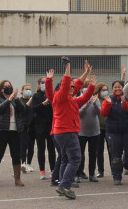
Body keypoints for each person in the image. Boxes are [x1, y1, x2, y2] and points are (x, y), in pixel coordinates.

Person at [47, 57, 94, 199]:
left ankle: (63, 183)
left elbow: (84, 95)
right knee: (75, 159)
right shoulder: (60, 97)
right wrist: (67, 67)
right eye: (70, 86)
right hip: (67, 132)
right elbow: (67, 83)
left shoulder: (72, 99)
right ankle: (65, 185)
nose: (73, 87)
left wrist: (88, 76)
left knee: (66, 159)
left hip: (62, 133)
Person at [0, 80, 27, 187]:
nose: (8, 88)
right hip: (1, 130)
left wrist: (15, 98)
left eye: (9, 86)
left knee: (16, 155)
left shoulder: (15, 100)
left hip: (15, 130)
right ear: (1, 89)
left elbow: (23, 110)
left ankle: (17, 179)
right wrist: (9, 99)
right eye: (5, 86)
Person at [101, 80, 128, 185]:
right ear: (113, 89)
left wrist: (124, 103)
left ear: (123, 88)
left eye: (119, 87)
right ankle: (117, 176)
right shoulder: (108, 99)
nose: (117, 89)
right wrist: (108, 104)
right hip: (113, 132)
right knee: (116, 155)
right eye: (115, 87)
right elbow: (103, 113)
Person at [75, 82, 101, 183]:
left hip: (94, 131)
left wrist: (94, 105)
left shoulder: (95, 98)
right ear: (81, 89)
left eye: (88, 88)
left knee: (93, 153)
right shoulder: (79, 99)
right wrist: (85, 105)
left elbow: (99, 113)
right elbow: (78, 114)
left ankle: (92, 174)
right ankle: (77, 173)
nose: (86, 89)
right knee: (79, 154)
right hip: (81, 132)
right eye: (84, 87)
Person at [32, 77, 55, 180]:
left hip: (50, 126)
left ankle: (53, 169)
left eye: (46, 83)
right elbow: (34, 109)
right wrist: (44, 102)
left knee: (51, 148)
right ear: (38, 84)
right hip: (39, 126)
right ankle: (42, 170)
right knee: (41, 148)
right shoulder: (36, 96)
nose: (44, 84)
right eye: (42, 83)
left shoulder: (52, 95)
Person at [95, 82, 110, 178]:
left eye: (106, 90)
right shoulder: (96, 100)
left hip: (109, 128)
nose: (105, 92)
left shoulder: (109, 99)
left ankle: (114, 169)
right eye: (103, 90)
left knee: (111, 150)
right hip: (98, 128)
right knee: (99, 151)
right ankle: (101, 170)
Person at [18, 84, 34, 174]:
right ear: (22, 91)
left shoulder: (33, 101)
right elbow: (23, 111)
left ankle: (29, 163)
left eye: (29, 89)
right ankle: (23, 163)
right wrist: (30, 100)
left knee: (31, 146)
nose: (28, 91)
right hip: (23, 126)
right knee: (23, 145)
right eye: (26, 89)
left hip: (32, 126)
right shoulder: (20, 101)